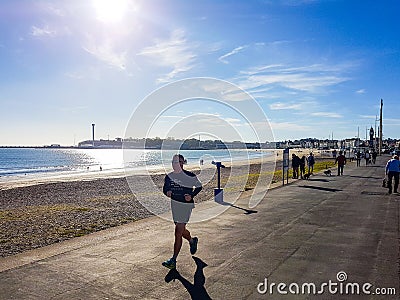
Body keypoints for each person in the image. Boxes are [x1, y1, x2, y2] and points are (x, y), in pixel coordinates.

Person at [162, 154, 203, 269]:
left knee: (177, 231)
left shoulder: (189, 175)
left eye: (180, 162)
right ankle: (192, 240)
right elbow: (165, 188)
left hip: (186, 206)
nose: (177, 164)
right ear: (172, 163)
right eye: (175, 162)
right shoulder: (169, 177)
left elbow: (199, 186)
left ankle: (173, 260)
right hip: (175, 206)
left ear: (183, 163)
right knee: (181, 230)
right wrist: (167, 192)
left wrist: (191, 195)